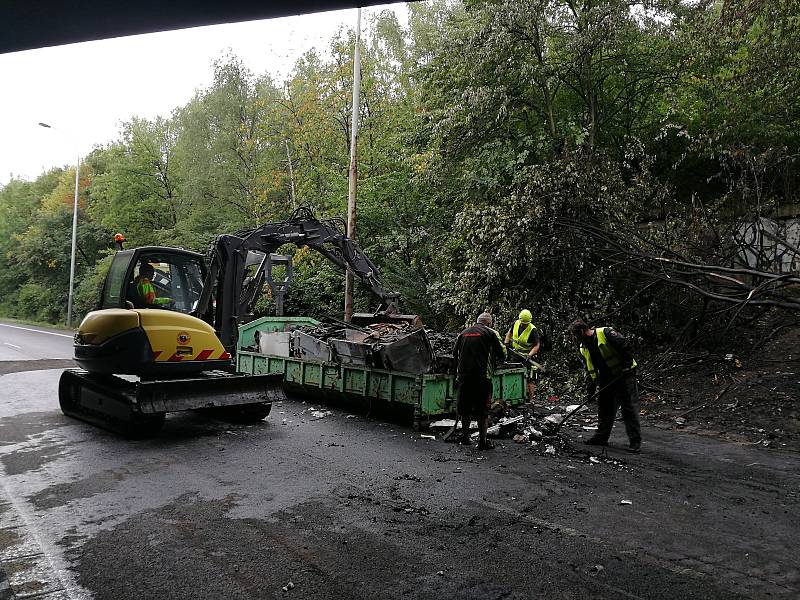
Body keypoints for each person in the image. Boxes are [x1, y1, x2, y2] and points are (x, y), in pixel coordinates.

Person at [568, 318, 641, 453]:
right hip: (606, 379)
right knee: (604, 408)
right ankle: (601, 437)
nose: (575, 339)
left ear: (582, 331)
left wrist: (626, 367)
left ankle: (635, 441)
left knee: (628, 409)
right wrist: (590, 391)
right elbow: (589, 370)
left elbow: (625, 347)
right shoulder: (584, 347)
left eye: (576, 335)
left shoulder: (606, 333)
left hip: (623, 376)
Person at [453, 312, 506, 450]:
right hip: (482, 378)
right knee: (483, 410)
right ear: (489, 323)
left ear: (477, 321)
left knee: (464, 409)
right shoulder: (490, 333)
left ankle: (465, 438)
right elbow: (502, 353)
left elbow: (454, 354)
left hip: (464, 377)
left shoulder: (463, 333)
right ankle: (482, 442)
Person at [504, 309, 541, 401]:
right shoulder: (515, 324)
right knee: (513, 373)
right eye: (523, 323)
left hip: (527, 356)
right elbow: (509, 334)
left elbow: (537, 345)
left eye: (526, 324)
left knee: (529, 377)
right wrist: (506, 343)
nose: (524, 325)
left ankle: (531, 399)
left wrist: (530, 355)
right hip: (516, 354)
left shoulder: (533, 330)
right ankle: (514, 395)